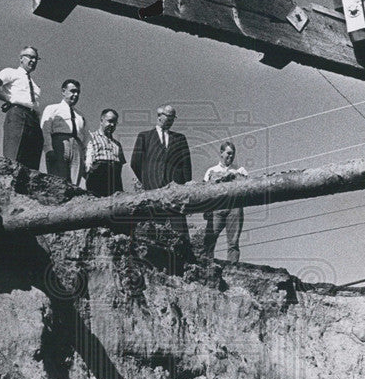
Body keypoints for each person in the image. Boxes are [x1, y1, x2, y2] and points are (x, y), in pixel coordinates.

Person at [131, 105, 192, 236]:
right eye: (168, 116)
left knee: (180, 229)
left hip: (176, 191)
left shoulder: (180, 139)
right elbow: (135, 163)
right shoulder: (144, 137)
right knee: (154, 229)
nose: (171, 120)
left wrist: (185, 187)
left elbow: (186, 165)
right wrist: (147, 182)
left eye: (173, 118)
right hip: (153, 191)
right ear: (159, 116)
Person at [0, 47, 42, 170]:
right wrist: (10, 99)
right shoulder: (11, 72)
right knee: (13, 158)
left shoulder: (35, 85)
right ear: (21, 58)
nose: (33, 60)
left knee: (32, 163)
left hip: (34, 119)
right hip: (18, 115)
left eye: (36, 58)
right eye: (30, 57)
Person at [203, 141, 248, 263]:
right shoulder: (211, 171)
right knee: (209, 239)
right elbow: (204, 192)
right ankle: (207, 265)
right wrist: (206, 210)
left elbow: (247, 189)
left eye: (233, 154)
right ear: (221, 153)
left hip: (234, 208)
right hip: (217, 208)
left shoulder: (240, 170)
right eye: (228, 153)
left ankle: (233, 268)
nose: (231, 156)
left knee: (233, 243)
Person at [41, 79, 87, 184]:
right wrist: (48, 149)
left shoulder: (80, 116)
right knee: (59, 182)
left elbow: (86, 138)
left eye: (78, 92)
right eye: (72, 91)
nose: (75, 95)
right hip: (59, 144)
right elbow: (45, 129)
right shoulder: (52, 108)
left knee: (75, 183)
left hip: (77, 147)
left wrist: (85, 157)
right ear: (63, 91)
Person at [85, 109, 126, 197]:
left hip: (115, 182)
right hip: (97, 180)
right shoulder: (91, 137)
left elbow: (121, 165)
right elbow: (84, 162)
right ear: (101, 121)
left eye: (115, 123)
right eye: (110, 121)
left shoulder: (117, 144)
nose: (112, 125)